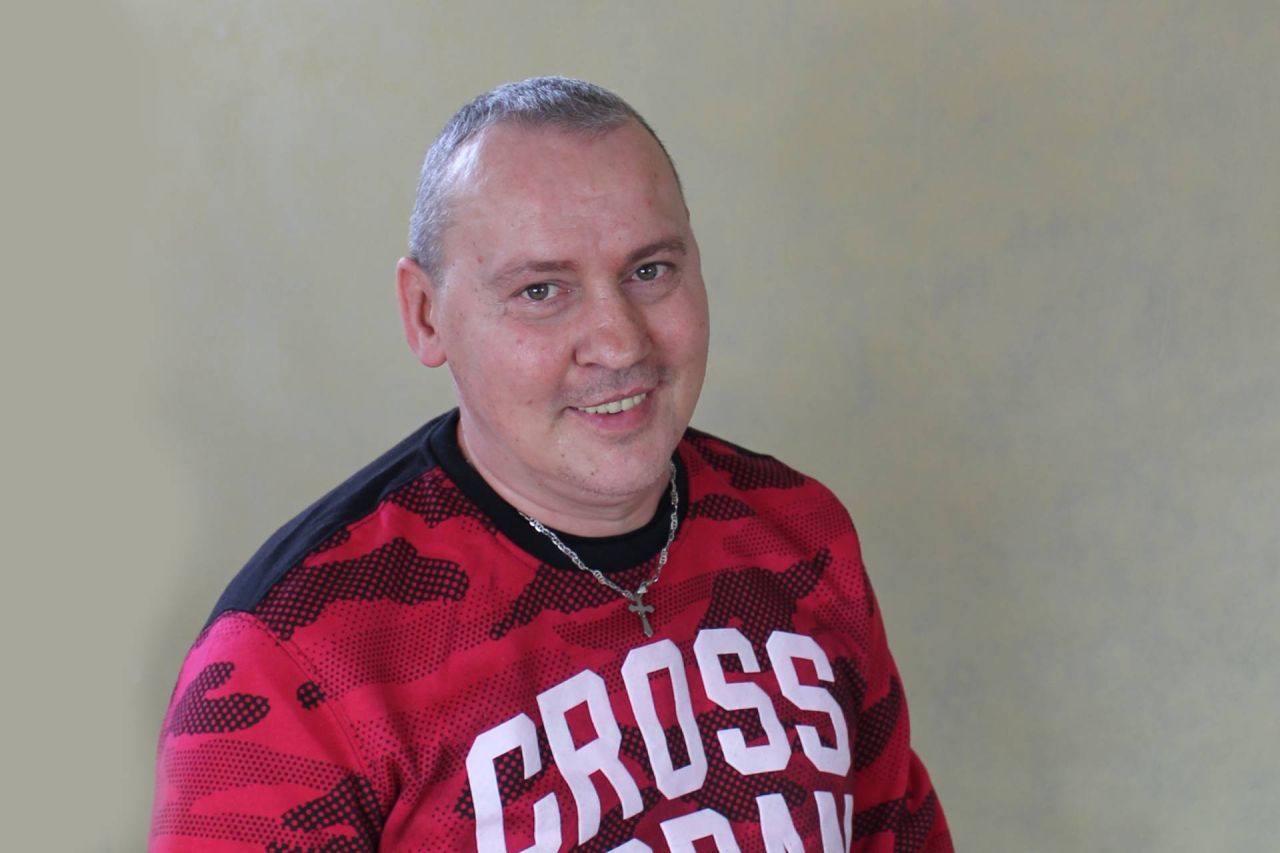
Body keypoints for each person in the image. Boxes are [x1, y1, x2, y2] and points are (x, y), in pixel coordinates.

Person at [151, 76, 953, 852]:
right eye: (541, 291)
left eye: (649, 271)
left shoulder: (801, 533)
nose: (620, 343)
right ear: (426, 315)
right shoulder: (289, 655)